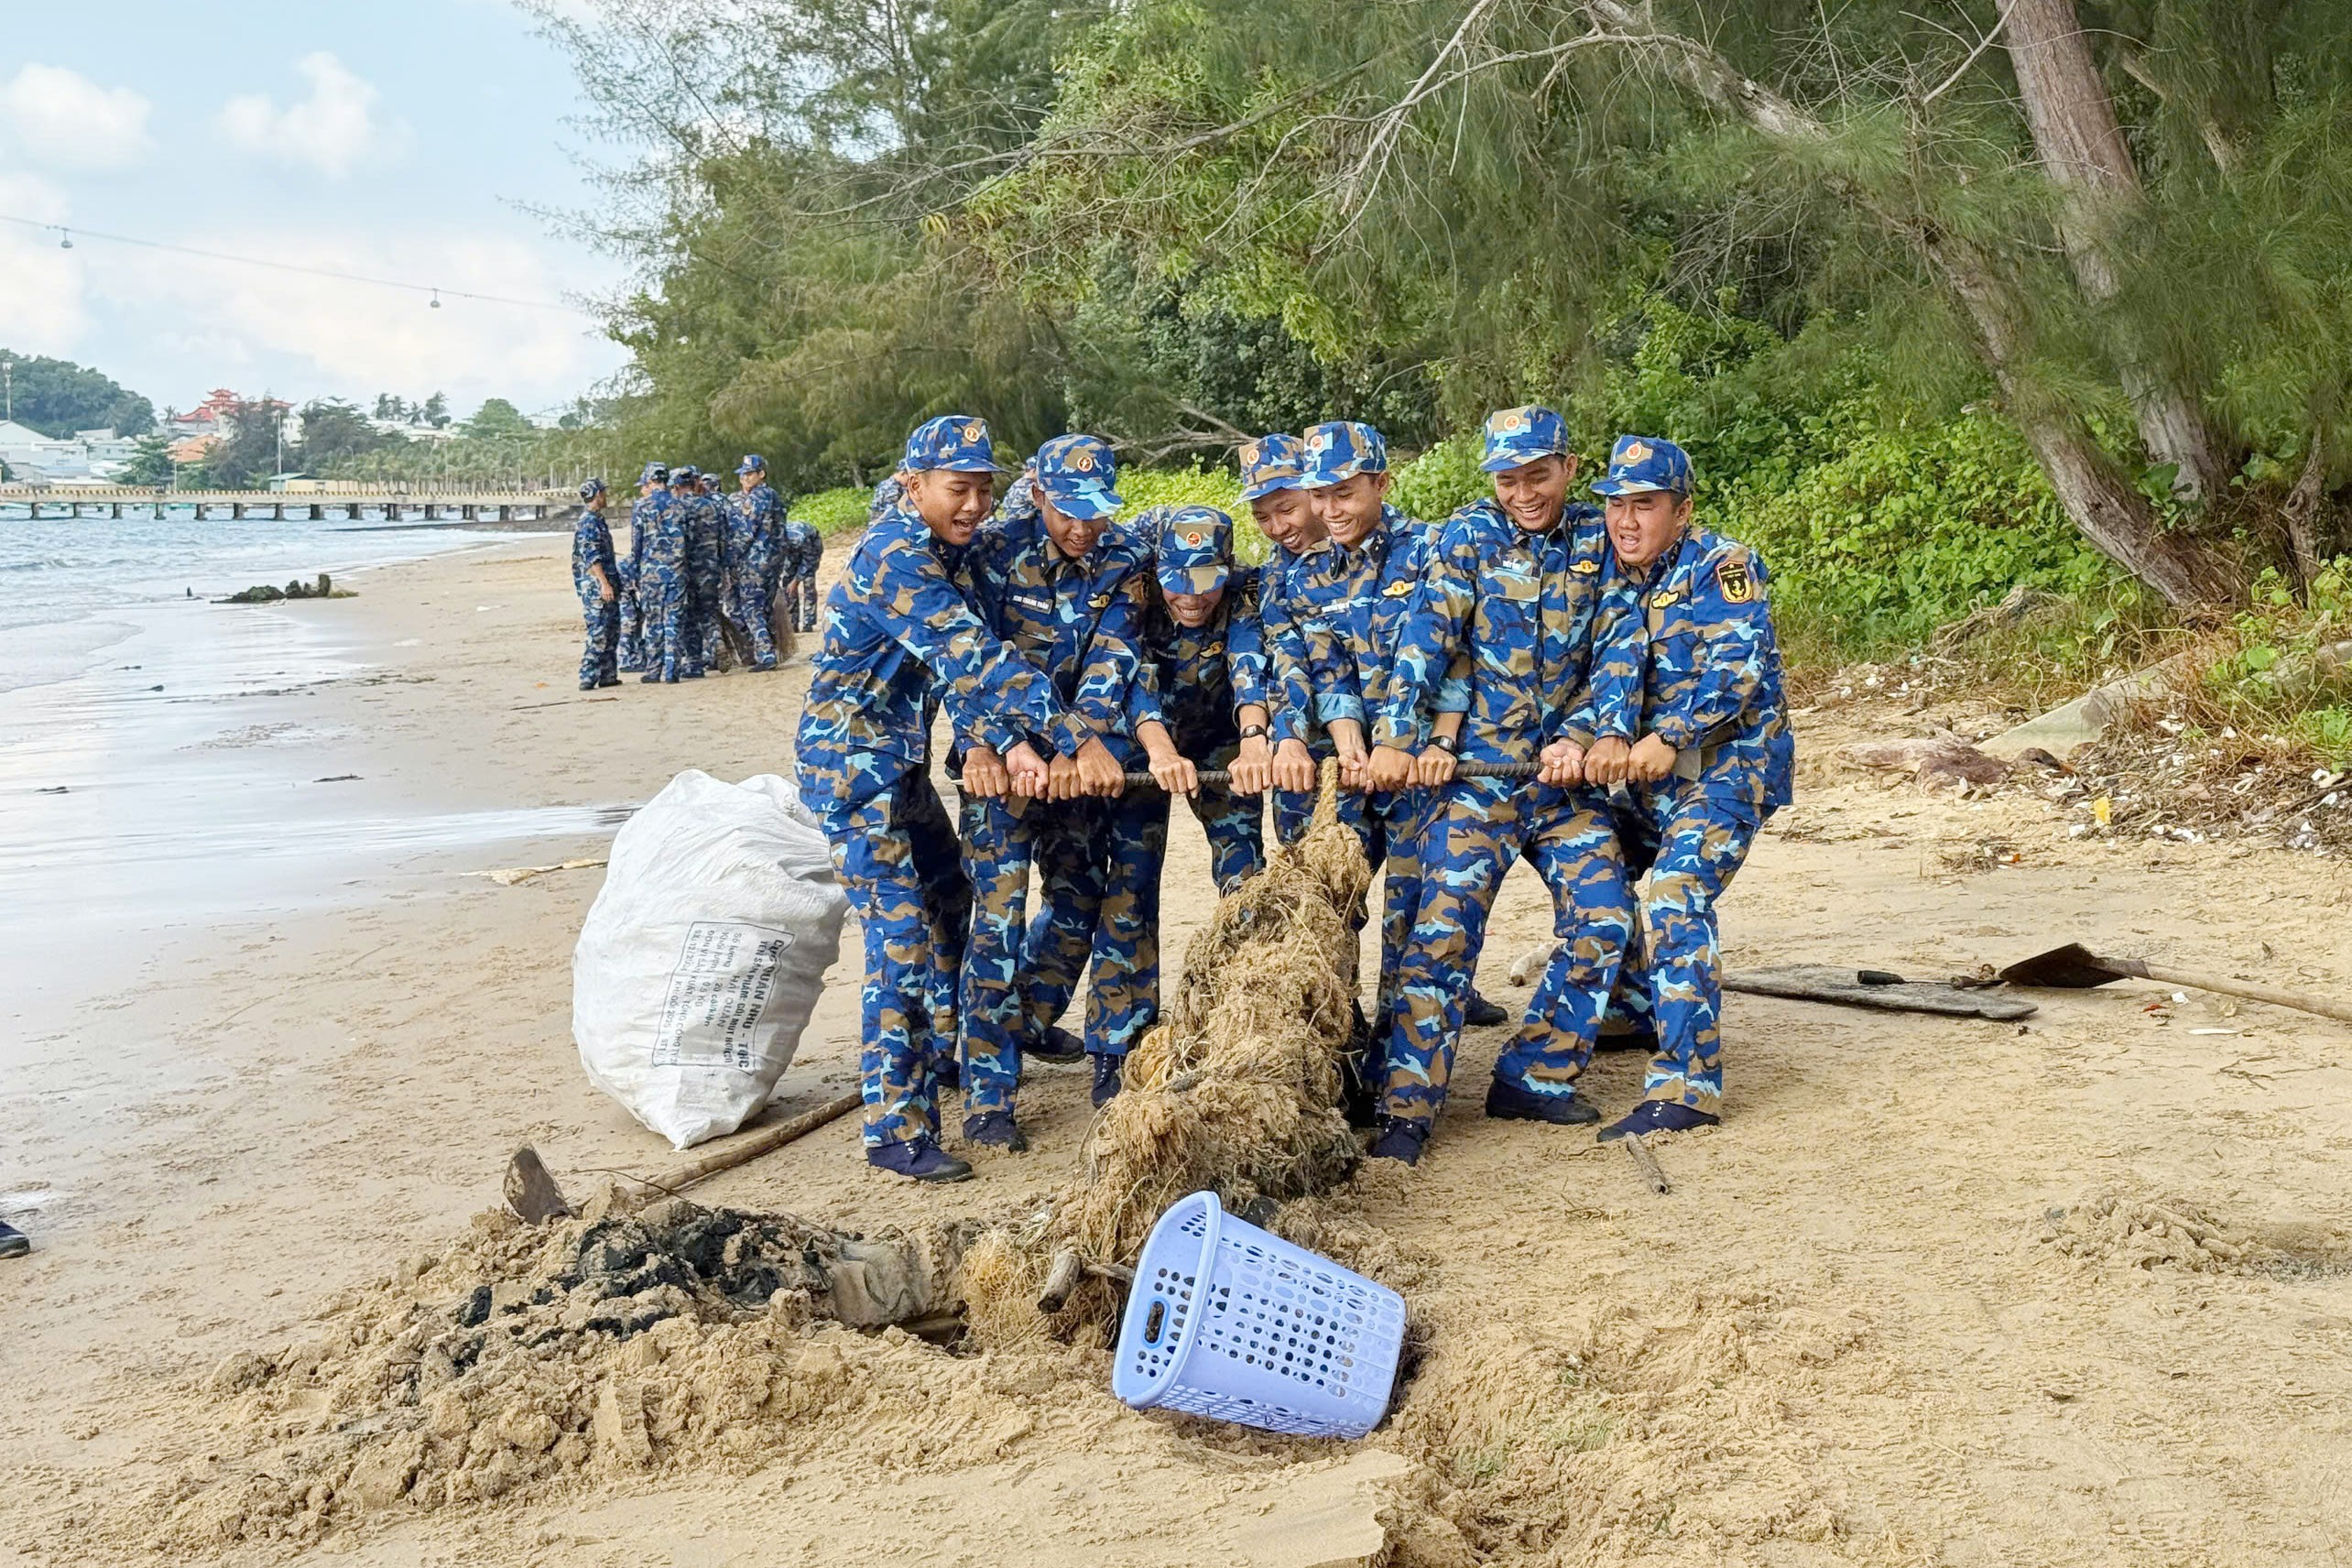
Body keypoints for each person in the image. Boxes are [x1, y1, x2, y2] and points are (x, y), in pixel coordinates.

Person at [794, 414, 1110, 1181]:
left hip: (897, 765)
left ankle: (941, 1052)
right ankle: (894, 1129)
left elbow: (956, 682)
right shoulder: (897, 558)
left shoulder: (947, 551)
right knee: (899, 940)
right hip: (850, 768)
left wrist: (1004, 742)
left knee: (953, 906)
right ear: (914, 486)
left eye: (982, 490)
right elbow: (973, 660)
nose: (973, 505)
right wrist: (1075, 739)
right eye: (957, 489)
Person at [1364, 405, 1644, 1164]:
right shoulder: (1468, 538)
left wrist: (1587, 733)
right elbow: (1427, 640)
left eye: (1538, 475)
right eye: (1508, 478)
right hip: (1480, 780)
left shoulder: (1598, 539)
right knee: (1442, 936)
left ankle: (1533, 1075)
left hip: (1565, 784)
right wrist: (1397, 735)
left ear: (1569, 468)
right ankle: (1404, 1113)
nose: (1524, 492)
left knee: (1605, 918)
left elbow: (1620, 647)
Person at [1580, 435, 1794, 1143]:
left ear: (1683, 509)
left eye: (1645, 505)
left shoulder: (1724, 565)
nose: (1627, 521)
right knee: (1582, 858)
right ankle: (1635, 1004)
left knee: (1674, 892)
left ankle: (1688, 1085)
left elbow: (1735, 674)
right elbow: (1609, 671)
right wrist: (1597, 735)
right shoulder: (1608, 574)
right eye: (1616, 505)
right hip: (1644, 781)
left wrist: (1668, 735)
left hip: (1725, 773)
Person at [959, 434, 1175, 1128]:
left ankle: (1057, 1032)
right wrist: (991, 743)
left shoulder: (1123, 558)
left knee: (1082, 900)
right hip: (999, 769)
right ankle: (989, 1096)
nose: (1083, 528)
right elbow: (964, 660)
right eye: (1068, 511)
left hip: (1081, 769)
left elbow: (1115, 656)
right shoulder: (991, 553)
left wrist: (1074, 744)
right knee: (996, 922)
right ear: (1039, 492)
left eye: (1098, 513)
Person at [631, 463, 691, 683]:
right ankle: (672, 671)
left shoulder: (642, 506)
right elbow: (690, 541)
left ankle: (654, 670)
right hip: (677, 572)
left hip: (651, 574)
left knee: (654, 622)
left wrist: (636, 571)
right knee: (673, 621)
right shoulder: (681, 505)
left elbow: (636, 544)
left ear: (649, 480)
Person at [725, 456, 782, 670]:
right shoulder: (773, 495)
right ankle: (771, 651)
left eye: (750, 473)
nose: (746, 478)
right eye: (743, 474)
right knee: (765, 606)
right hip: (773, 560)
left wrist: (730, 558)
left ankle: (766, 654)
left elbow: (747, 532)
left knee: (751, 607)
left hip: (754, 562)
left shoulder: (755, 498)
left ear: (761, 474)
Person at [674, 467, 724, 675]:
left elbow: (678, 543)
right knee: (709, 611)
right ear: (695, 484)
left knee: (689, 617)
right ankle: (716, 643)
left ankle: (694, 662)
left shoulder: (678, 508)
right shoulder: (711, 506)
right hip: (711, 567)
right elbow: (723, 538)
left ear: (676, 486)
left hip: (688, 570)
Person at [572, 478, 621, 690]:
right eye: (603, 492)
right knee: (599, 632)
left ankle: (608, 674)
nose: (605, 496)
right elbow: (592, 558)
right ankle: (588, 676)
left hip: (606, 582)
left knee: (611, 630)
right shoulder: (588, 522)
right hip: (596, 587)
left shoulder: (596, 520)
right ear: (597, 494)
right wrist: (604, 583)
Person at [781, 507, 823, 634]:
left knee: (808, 582)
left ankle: (808, 624)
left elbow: (808, 562)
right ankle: (792, 624)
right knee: (787, 586)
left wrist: (796, 581)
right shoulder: (776, 540)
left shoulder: (801, 540)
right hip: (792, 549)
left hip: (812, 546)